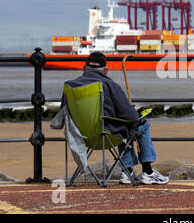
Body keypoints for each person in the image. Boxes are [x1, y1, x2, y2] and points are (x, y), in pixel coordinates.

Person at [59, 51, 169, 185]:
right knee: (139, 124)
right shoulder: (109, 84)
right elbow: (130, 115)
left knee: (123, 125)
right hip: (107, 136)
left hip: (80, 137)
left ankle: (128, 172)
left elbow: (63, 113)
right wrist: (136, 114)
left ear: (84, 68)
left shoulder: (69, 86)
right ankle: (148, 172)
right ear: (105, 70)